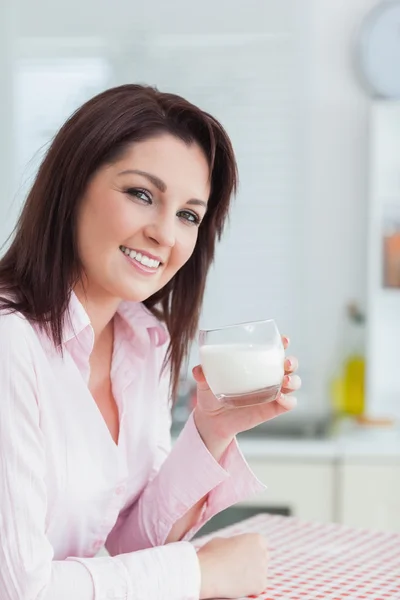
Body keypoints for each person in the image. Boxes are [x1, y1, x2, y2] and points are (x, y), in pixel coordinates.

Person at [0, 84, 301, 600]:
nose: (166, 234)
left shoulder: (144, 342)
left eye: (189, 215)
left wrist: (211, 430)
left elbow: (132, 544)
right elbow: (19, 589)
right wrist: (202, 574)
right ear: (71, 186)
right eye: (142, 194)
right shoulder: (10, 343)